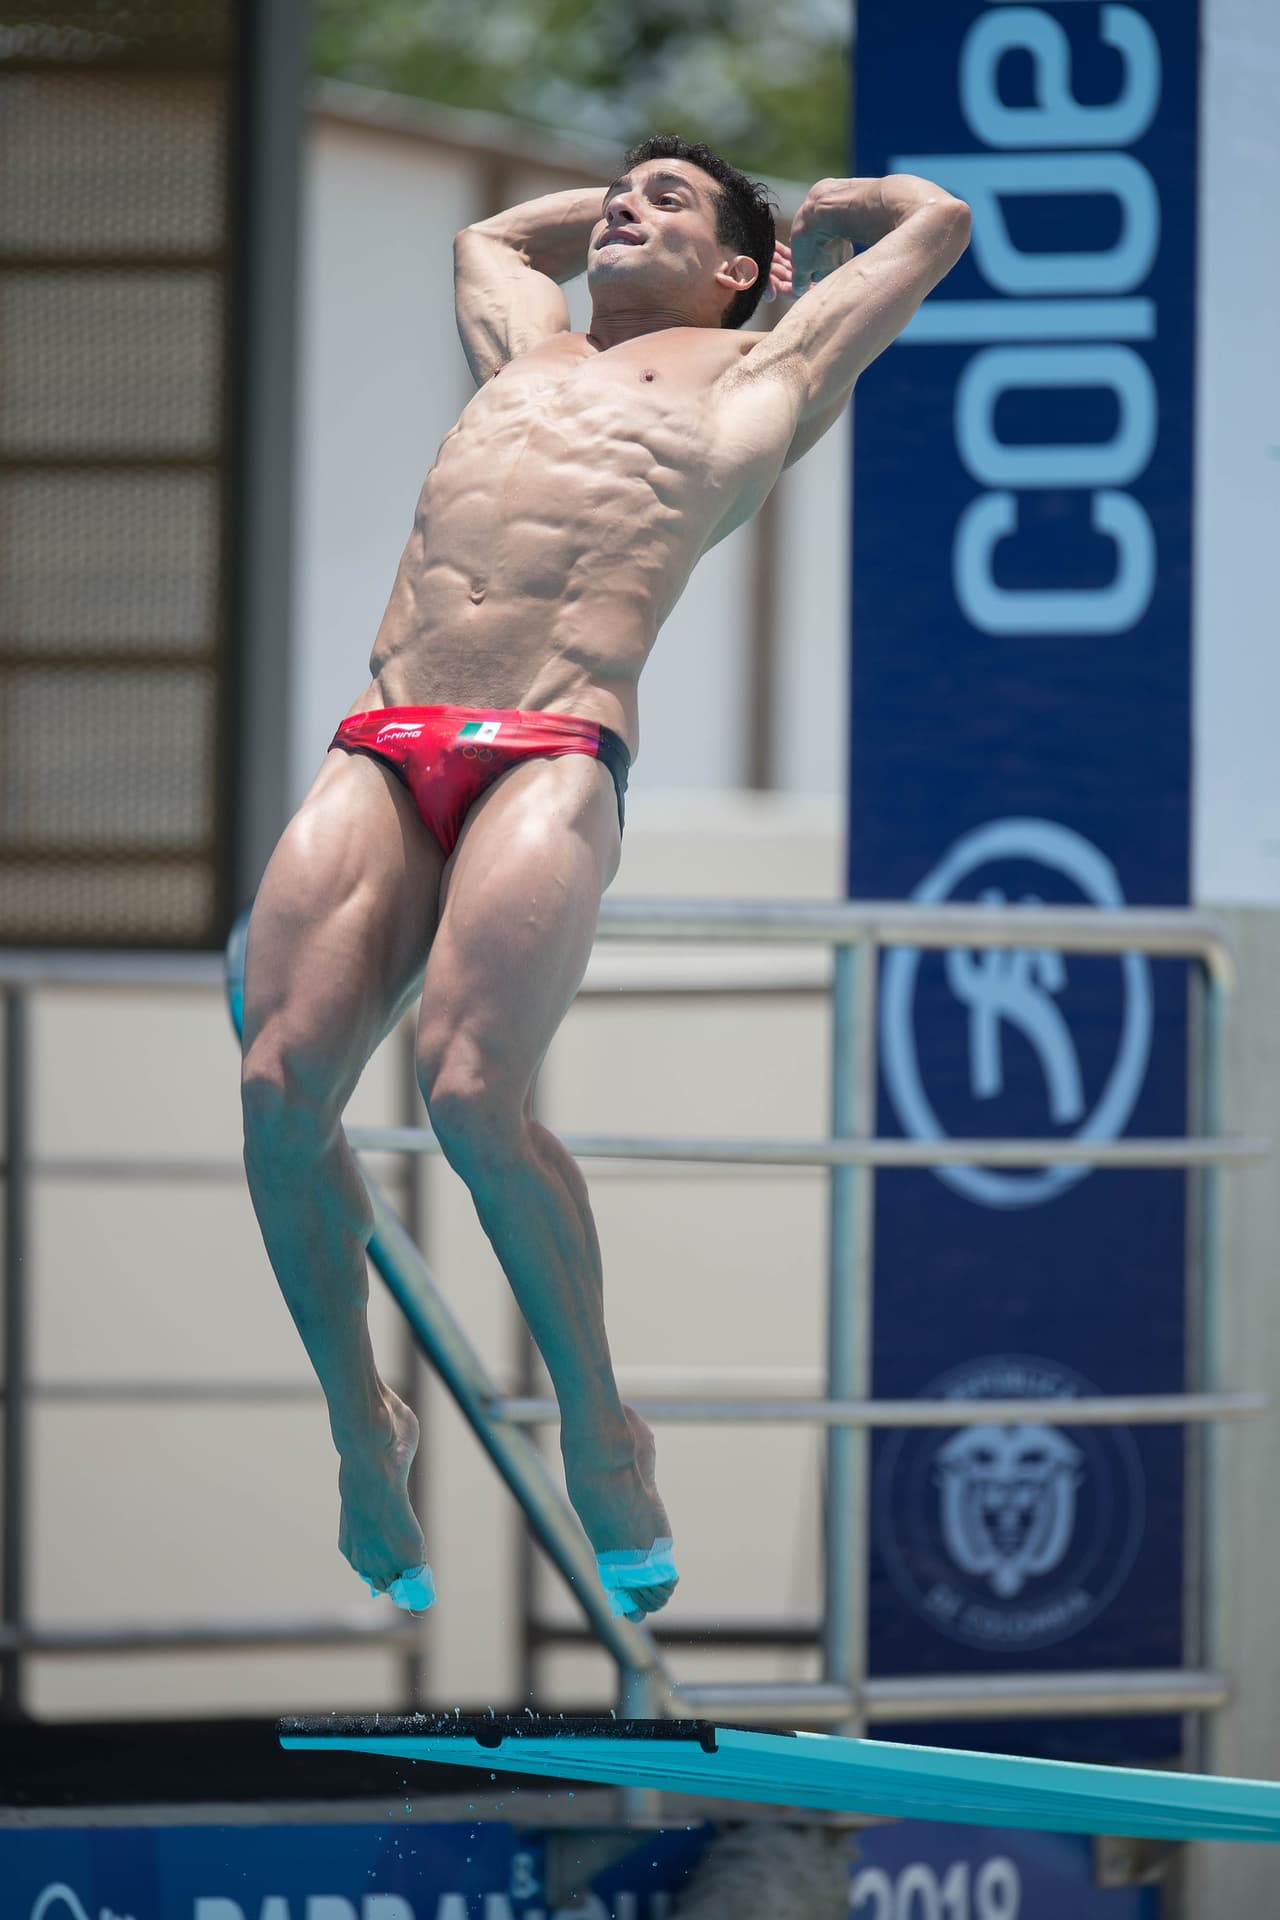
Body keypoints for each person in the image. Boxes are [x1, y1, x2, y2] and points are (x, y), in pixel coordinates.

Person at [238, 134, 970, 1624]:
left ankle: (604, 1427)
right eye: (619, 197)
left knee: (467, 1096)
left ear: (743, 272)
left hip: (552, 743)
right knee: (275, 1092)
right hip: (385, 737)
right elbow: (492, 241)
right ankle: (359, 1428)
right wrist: (634, 194)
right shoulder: (531, 343)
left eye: (666, 204)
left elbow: (938, 221)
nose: (625, 212)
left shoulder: (767, 370)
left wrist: (808, 204)